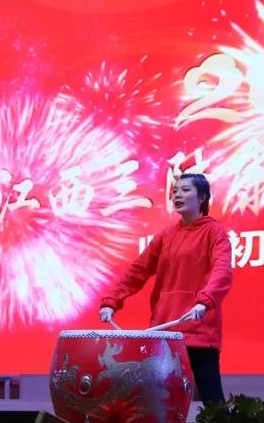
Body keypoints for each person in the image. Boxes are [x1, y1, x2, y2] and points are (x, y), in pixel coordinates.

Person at [98, 173, 233, 404]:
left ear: (202, 198)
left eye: (185, 190)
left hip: (198, 330)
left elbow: (222, 270)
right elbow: (137, 271)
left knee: (212, 401)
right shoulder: (166, 236)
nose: (177, 194)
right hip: (164, 330)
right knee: (158, 403)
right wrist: (111, 301)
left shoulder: (213, 231)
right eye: (175, 190)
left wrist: (204, 302)